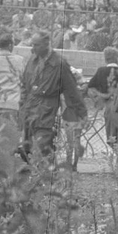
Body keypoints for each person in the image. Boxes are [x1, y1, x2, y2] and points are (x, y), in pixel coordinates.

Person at [20, 31, 87, 162]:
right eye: (32, 45)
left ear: (47, 44)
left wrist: (82, 113)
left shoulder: (59, 64)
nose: (32, 49)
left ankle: (45, 178)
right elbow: (24, 84)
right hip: (29, 111)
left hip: (46, 112)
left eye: (36, 45)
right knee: (25, 150)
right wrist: (22, 104)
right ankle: (44, 177)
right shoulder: (32, 61)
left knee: (42, 149)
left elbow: (72, 91)